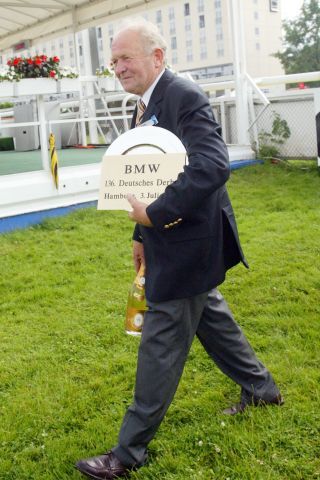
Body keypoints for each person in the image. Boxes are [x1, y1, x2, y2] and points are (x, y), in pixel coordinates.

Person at [76, 18, 283, 480]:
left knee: (161, 342)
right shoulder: (143, 104)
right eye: (113, 61)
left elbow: (212, 165)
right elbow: (145, 176)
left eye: (125, 58)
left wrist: (156, 215)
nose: (118, 67)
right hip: (169, 237)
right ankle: (262, 388)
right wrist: (140, 235)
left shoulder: (183, 96)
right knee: (210, 316)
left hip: (189, 240)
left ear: (157, 57)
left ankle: (127, 454)